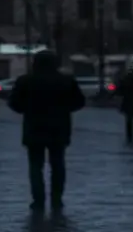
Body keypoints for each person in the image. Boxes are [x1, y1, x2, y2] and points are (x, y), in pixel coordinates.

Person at [7, 51, 85, 211]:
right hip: (59, 127)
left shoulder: (26, 80)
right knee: (58, 164)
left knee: (35, 166)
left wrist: (27, 109)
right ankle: (57, 198)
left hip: (34, 126)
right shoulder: (66, 80)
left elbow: (14, 102)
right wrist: (64, 109)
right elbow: (79, 101)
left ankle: (38, 199)